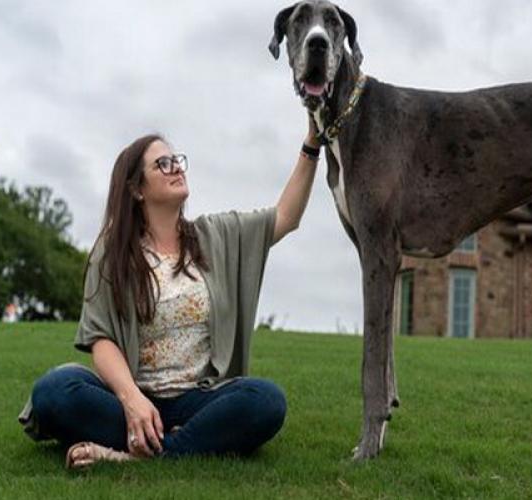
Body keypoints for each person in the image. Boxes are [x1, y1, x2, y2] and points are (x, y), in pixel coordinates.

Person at [20, 117, 322, 468]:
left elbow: (285, 216)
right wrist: (132, 400)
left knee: (266, 400)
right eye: (162, 164)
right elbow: (101, 340)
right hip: (131, 398)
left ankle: (133, 455)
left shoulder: (215, 236)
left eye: (176, 160)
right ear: (137, 189)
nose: (176, 167)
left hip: (199, 398)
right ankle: (174, 440)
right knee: (53, 391)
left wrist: (312, 144)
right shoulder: (112, 251)